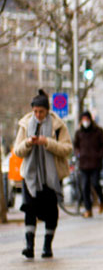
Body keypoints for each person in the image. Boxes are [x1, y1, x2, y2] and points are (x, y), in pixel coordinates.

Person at [13, 89, 72, 259]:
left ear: (47, 111)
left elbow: (67, 149)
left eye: (41, 112)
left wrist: (48, 142)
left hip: (51, 176)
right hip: (30, 176)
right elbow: (18, 150)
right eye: (35, 111)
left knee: (51, 212)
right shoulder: (25, 125)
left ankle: (47, 246)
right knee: (29, 209)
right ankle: (29, 245)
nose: (38, 115)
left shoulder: (58, 126)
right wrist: (28, 143)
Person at [73, 111, 103, 218]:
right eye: (83, 119)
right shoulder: (79, 133)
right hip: (83, 164)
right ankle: (88, 209)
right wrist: (78, 153)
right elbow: (75, 146)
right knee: (84, 187)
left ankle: (101, 200)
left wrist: (99, 156)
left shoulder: (98, 131)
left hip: (95, 164)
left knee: (95, 183)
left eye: (86, 119)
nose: (85, 121)